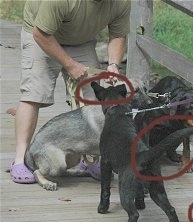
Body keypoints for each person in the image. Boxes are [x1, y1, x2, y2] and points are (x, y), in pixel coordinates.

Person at [10, 0, 131, 184]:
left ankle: (90, 160)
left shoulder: (121, 2)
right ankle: (19, 161)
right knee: (34, 94)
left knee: (93, 99)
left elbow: (118, 35)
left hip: (80, 40)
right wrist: (69, 64)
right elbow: (40, 34)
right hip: (41, 34)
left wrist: (113, 64)